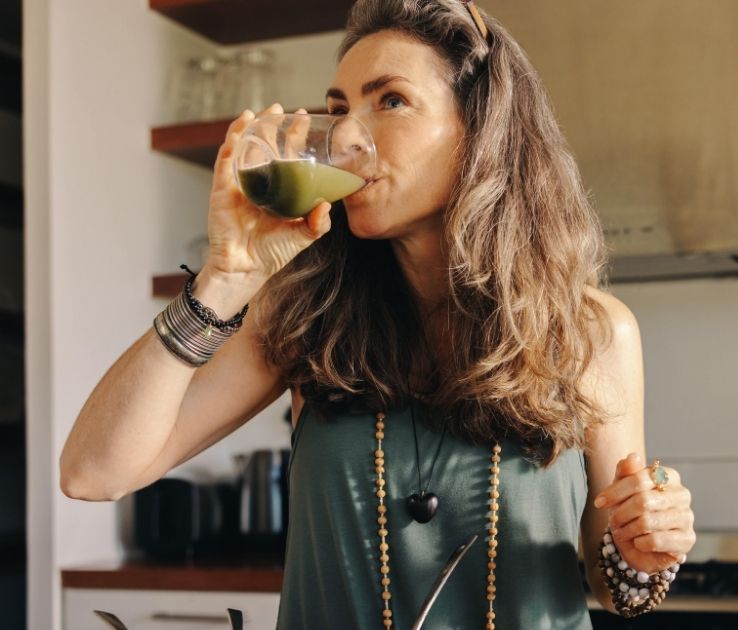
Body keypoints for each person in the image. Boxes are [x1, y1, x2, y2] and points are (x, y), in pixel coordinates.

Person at [59, 0, 696, 628]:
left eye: (389, 100)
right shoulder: (305, 314)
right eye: (338, 109)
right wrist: (225, 281)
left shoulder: (590, 331)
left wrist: (644, 551)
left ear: (480, 127)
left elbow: (617, 586)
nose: (346, 135)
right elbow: (93, 472)